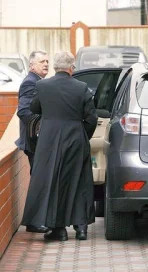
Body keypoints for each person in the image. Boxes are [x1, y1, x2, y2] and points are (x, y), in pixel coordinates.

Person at [21, 51, 98, 241]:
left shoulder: (42, 85)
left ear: (55, 67)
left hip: (49, 140)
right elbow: (91, 118)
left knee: (53, 182)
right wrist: (82, 135)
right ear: (71, 68)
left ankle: (59, 229)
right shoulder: (82, 87)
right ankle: (81, 229)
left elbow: (33, 108)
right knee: (80, 181)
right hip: (76, 138)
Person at [15, 50, 49, 234]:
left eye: (47, 61)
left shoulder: (39, 82)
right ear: (32, 65)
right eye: (42, 61)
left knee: (40, 180)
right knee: (38, 181)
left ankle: (36, 220)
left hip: (37, 142)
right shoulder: (30, 82)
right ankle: (34, 222)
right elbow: (24, 111)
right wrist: (41, 128)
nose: (46, 64)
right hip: (34, 142)